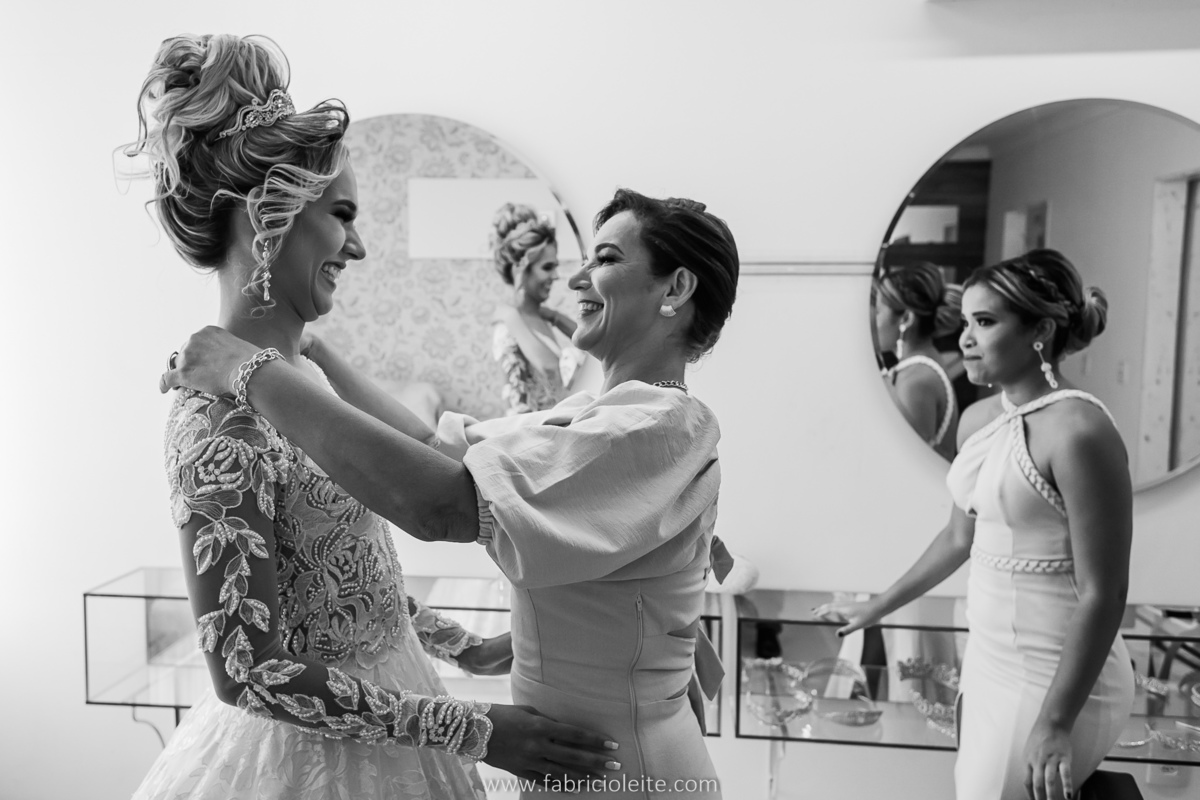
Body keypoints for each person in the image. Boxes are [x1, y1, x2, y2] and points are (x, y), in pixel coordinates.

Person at [127, 33, 615, 800]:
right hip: (302, 762)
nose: (357, 247)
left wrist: (460, 645)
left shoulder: (303, 374)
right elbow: (247, 670)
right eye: (343, 215)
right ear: (266, 220)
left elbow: (336, 575)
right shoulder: (216, 422)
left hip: (397, 709)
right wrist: (476, 731)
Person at [162, 188, 740, 799]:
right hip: (574, 758)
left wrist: (248, 372)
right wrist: (314, 354)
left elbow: (440, 504)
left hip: (623, 770)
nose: (576, 279)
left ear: (676, 288)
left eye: (606, 259)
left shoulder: (657, 426)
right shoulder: (591, 416)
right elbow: (433, 449)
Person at [818, 249, 1134, 800]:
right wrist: (877, 607)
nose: (965, 339)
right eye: (965, 322)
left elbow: (1104, 594)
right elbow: (958, 537)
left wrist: (1056, 721)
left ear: (1040, 330)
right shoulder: (978, 421)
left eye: (985, 322)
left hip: (1059, 676)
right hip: (987, 660)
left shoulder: (1080, 431)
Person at [489, 202, 585, 414]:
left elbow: (590, 342)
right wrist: (512, 317)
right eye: (547, 267)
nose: (556, 276)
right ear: (520, 270)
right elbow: (550, 373)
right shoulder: (507, 328)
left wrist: (555, 317)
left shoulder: (540, 318)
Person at [874, 262, 963, 459]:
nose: (873, 320)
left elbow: (904, 463)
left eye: (878, 311)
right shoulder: (921, 366)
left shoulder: (915, 380)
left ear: (906, 318)